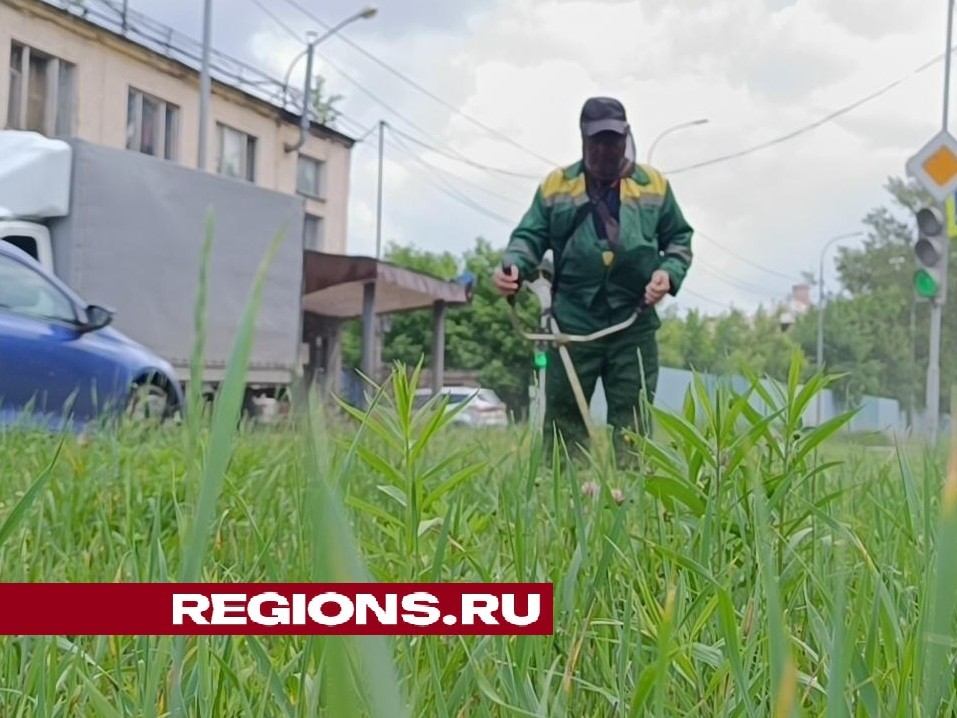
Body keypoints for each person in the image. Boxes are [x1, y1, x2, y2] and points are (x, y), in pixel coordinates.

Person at [493, 96, 694, 466]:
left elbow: (679, 240)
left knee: (634, 420)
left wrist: (668, 274)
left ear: (626, 137)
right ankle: (567, 499)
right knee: (564, 419)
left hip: (633, 318)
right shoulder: (557, 186)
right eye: (597, 140)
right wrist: (514, 267)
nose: (605, 148)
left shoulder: (654, 186)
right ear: (584, 139)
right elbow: (529, 237)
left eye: (613, 140)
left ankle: (632, 500)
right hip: (571, 321)